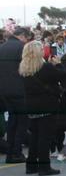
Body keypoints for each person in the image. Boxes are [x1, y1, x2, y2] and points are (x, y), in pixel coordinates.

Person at [20, 41, 66, 176]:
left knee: (34, 136)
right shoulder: (45, 67)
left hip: (31, 106)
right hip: (47, 105)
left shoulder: (24, 68)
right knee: (44, 137)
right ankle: (44, 167)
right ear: (37, 52)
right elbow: (62, 75)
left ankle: (31, 165)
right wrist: (58, 63)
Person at [0, 27, 29, 164]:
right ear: (22, 36)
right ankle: (16, 153)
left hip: (4, 90)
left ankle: (10, 154)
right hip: (19, 90)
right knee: (22, 122)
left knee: (12, 122)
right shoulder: (22, 47)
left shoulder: (2, 47)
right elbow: (26, 69)